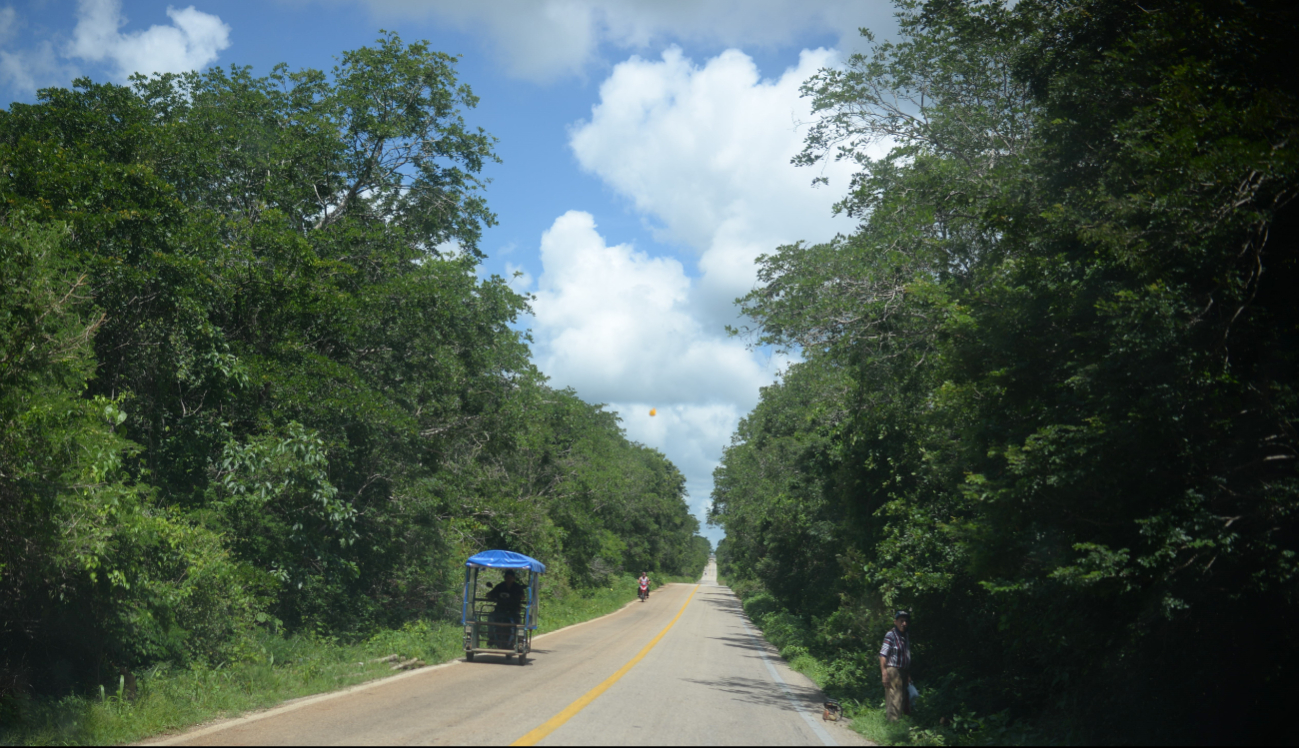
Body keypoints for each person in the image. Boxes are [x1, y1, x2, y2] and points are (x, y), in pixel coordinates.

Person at [879, 610, 912, 722]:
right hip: (893, 671)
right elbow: (883, 655)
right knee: (894, 700)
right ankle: (893, 726)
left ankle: (896, 724)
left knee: (902, 700)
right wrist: (884, 673)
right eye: (901, 621)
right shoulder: (891, 635)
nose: (904, 623)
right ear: (895, 622)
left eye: (906, 621)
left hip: (903, 671)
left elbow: (906, 656)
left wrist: (907, 674)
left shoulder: (905, 636)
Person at [486, 570, 527, 645]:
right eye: (507, 577)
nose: (509, 579)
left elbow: (523, 597)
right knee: (490, 617)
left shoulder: (517, 587)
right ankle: (491, 636)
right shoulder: (500, 586)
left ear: (514, 578)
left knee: (519, 621)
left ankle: (519, 638)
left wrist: (520, 597)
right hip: (500, 610)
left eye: (510, 577)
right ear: (504, 578)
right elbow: (491, 593)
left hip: (513, 610)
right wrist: (489, 595)